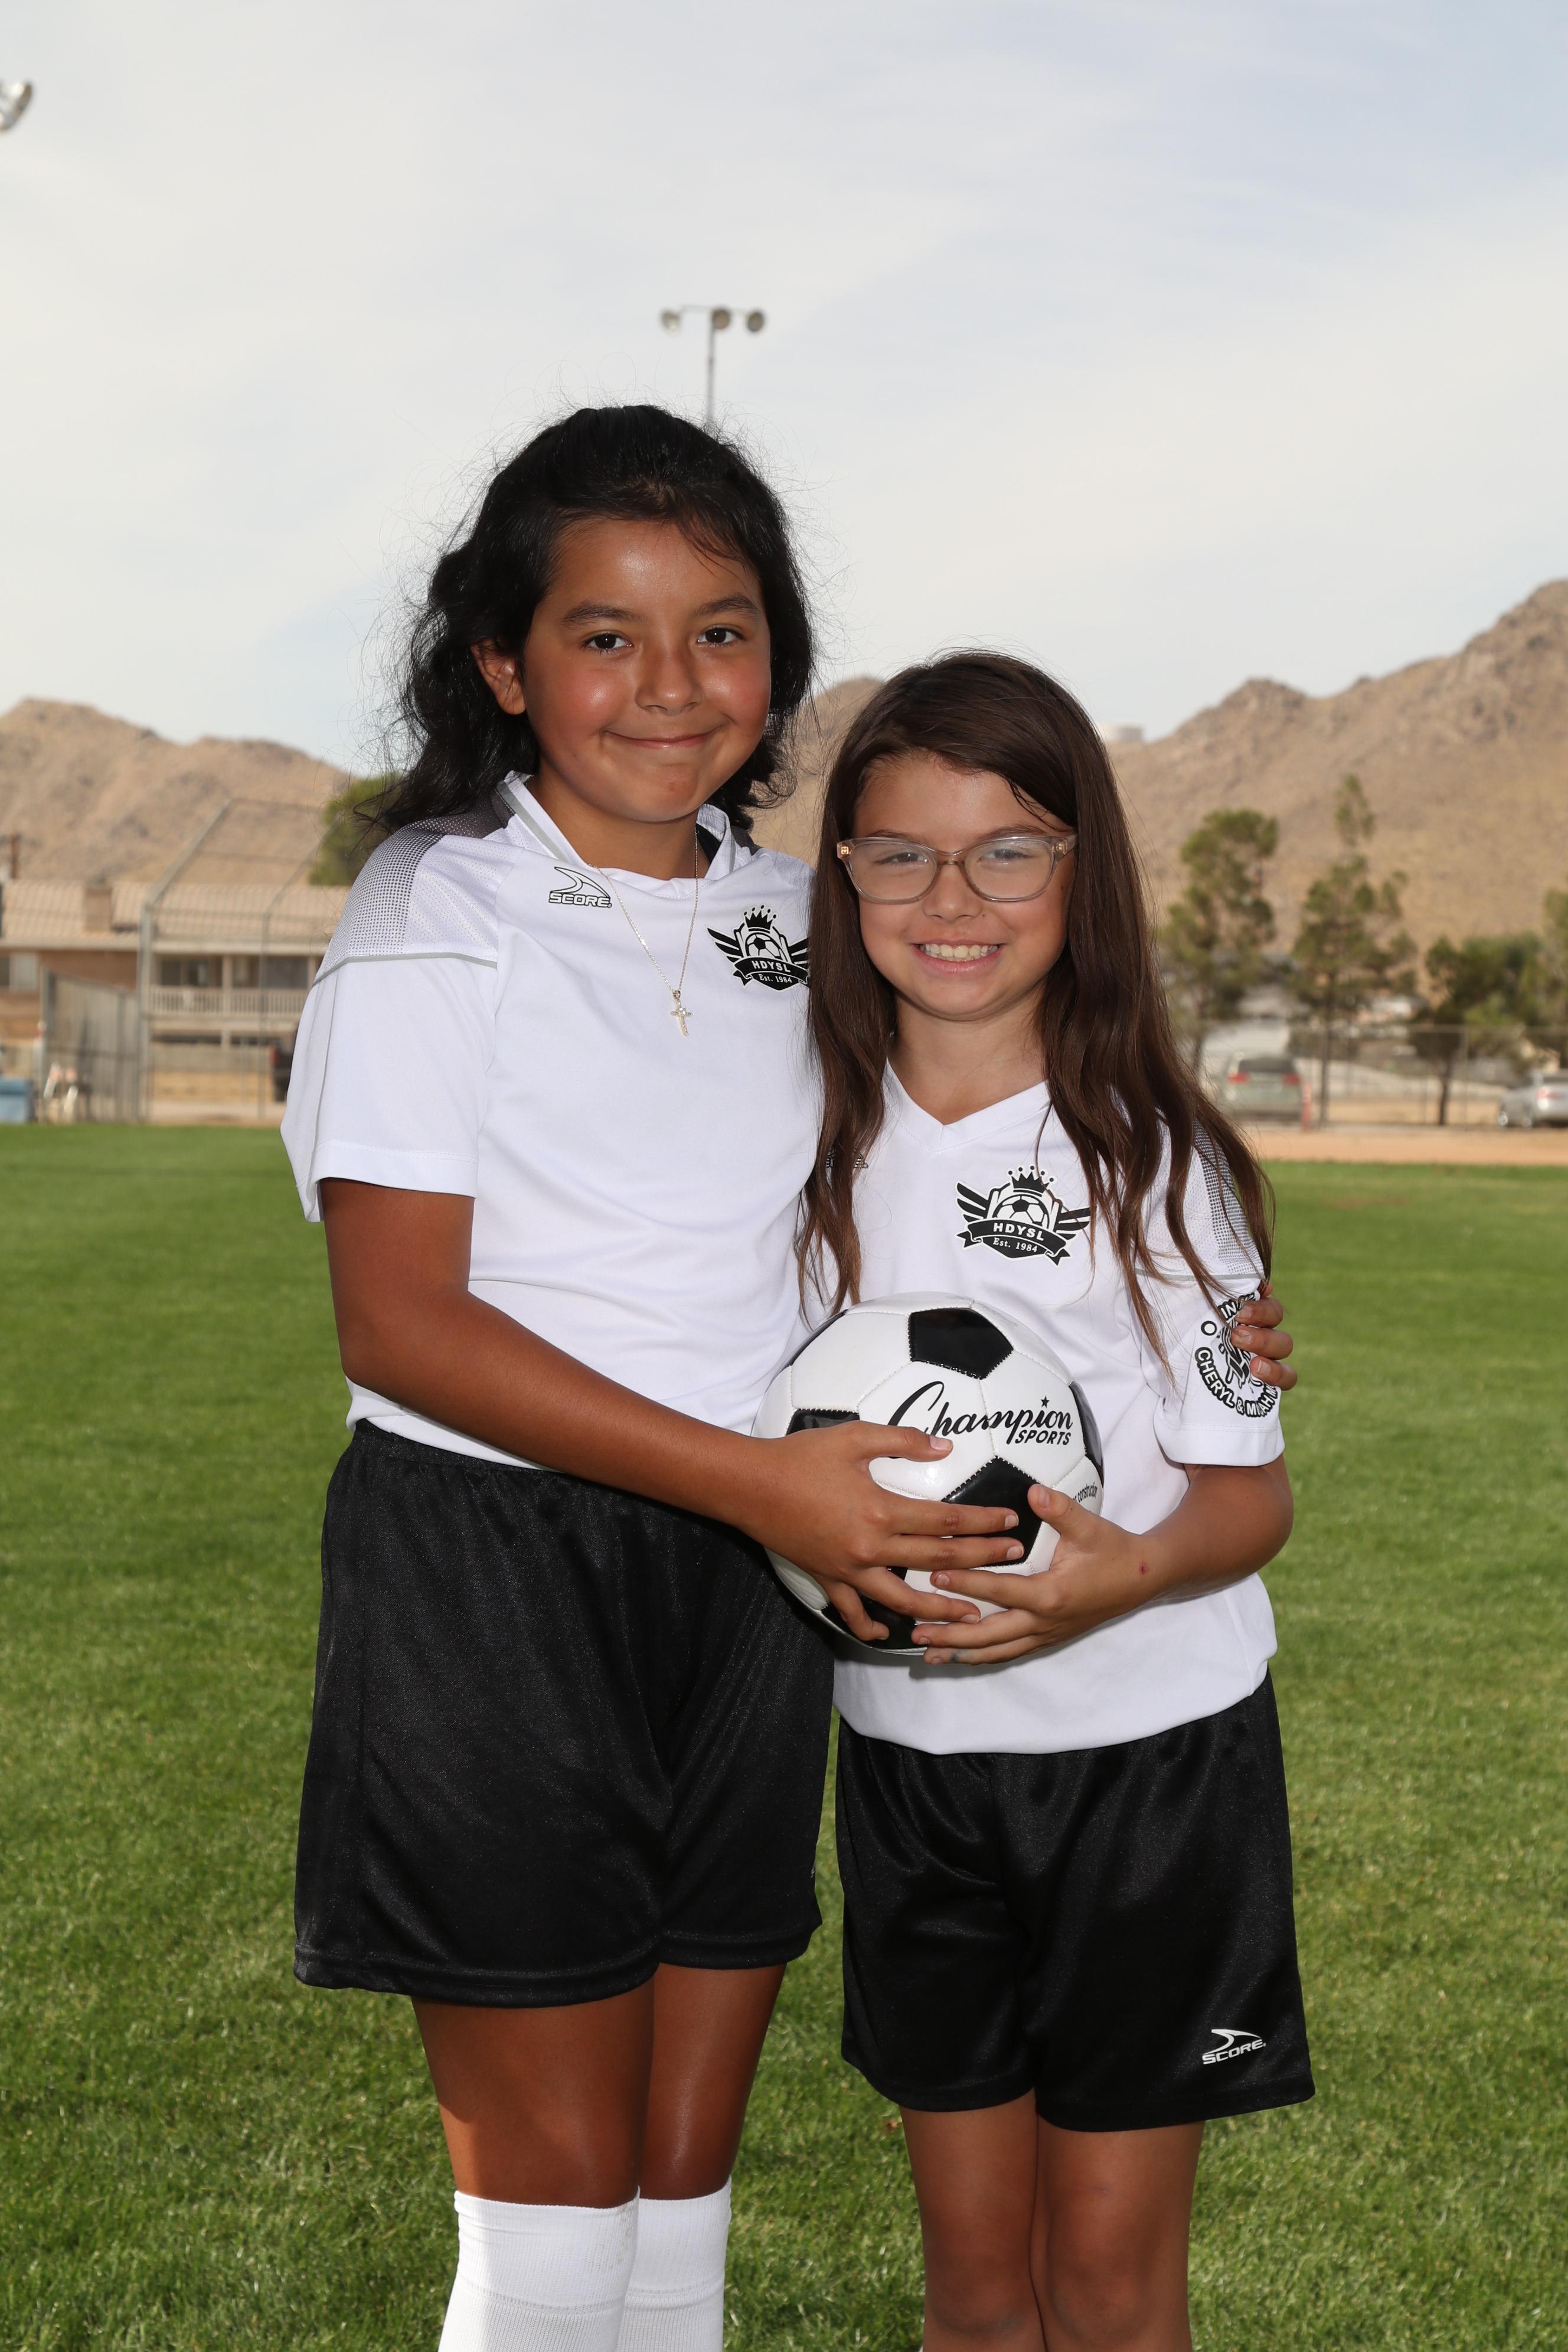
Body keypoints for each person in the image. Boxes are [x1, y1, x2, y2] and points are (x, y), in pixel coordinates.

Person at [278, 406, 1045, 2352]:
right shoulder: (432, 915)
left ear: (777, 657)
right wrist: (759, 1480)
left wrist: (1195, 1290)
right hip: (496, 1572)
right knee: (551, 2246)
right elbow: (401, 1326)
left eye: (720, 630)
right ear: (503, 663)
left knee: (677, 2215)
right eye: (604, 636)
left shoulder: (804, 917)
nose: (670, 685)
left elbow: (964, 1155)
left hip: (749, 1584)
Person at [799, 652, 1312, 2352]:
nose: (952, 899)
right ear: (844, 875)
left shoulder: (1157, 1161)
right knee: (973, 2288)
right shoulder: (797, 1145)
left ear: (1083, 873)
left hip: (1149, 1764)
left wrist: (1128, 1572)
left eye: (1008, 851)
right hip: (911, 1764)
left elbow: (1250, 1503)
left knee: (1104, 2283)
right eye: (901, 854)